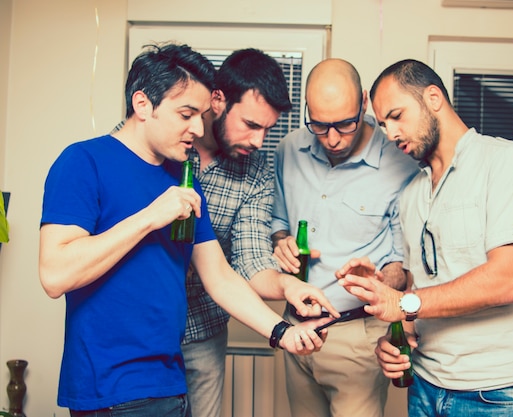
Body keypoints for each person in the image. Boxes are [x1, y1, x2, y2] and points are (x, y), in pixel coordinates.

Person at [38, 42, 330, 417]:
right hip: (112, 387)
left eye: (201, 114)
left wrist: (282, 331)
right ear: (143, 105)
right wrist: (149, 217)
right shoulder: (83, 161)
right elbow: (54, 274)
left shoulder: (182, 178)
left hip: (170, 380)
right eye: (186, 114)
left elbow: (220, 276)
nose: (197, 127)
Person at [337, 59, 513, 417]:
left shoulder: (507, 162)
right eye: (384, 123)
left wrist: (404, 304)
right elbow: (419, 286)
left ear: (433, 97)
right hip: (424, 384)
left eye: (397, 115)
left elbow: (506, 281)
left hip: (496, 392)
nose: (390, 134)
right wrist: (387, 312)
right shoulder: (412, 194)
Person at [182, 48, 339, 417]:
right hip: (145, 329)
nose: (258, 141)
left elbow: (251, 261)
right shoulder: (168, 145)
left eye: (267, 129)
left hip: (204, 328)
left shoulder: (256, 172)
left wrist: (290, 286)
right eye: (252, 125)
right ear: (218, 100)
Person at [271, 58, 420, 417]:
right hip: (296, 328)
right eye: (320, 126)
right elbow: (278, 222)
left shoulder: (402, 163)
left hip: (357, 337)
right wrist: (281, 241)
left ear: (364, 103)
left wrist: (382, 280)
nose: (333, 139)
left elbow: (405, 264)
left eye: (345, 124)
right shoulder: (288, 150)